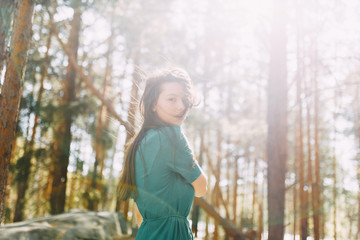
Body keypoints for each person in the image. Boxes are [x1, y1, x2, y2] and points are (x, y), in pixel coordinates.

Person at [117, 67, 207, 240]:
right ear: (152, 104)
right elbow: (202, 188)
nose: (181, 106)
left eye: (184, 99)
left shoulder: (139, 143)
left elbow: (139, 214)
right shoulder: (172, 137)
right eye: (171, 99)